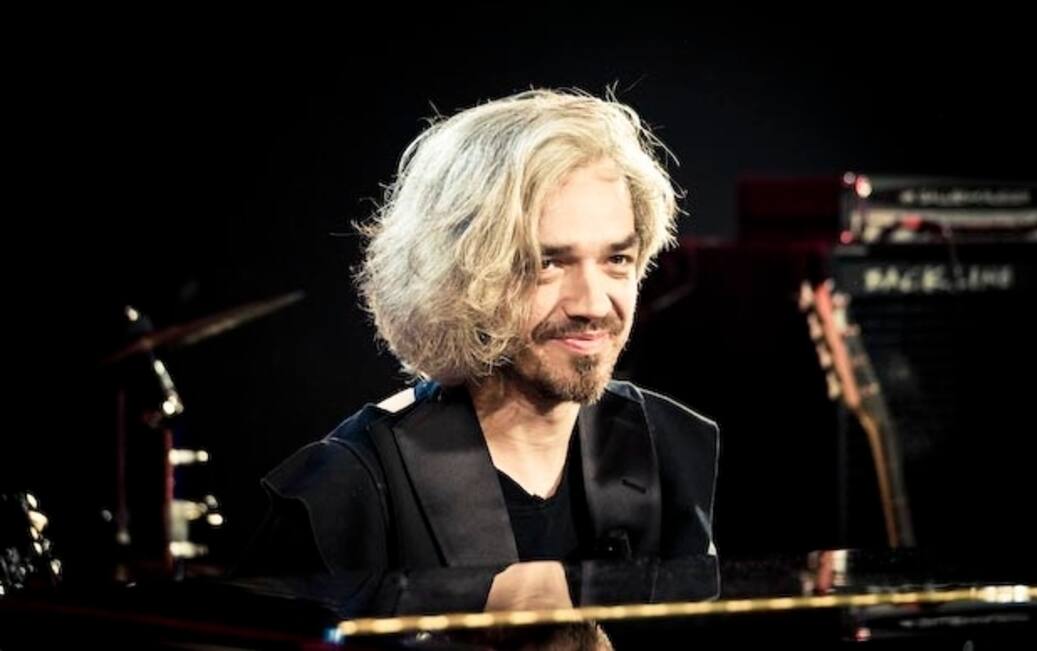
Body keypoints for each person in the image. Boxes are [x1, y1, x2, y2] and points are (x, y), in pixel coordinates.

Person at [240, 89, 718, 574]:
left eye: (617, 259)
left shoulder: (669, 448)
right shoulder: (349, 486)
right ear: (460, 275)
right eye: (547, 263)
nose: (593, 304)